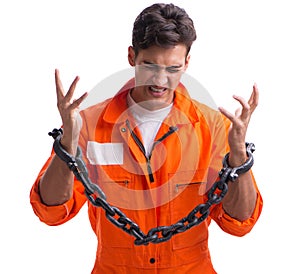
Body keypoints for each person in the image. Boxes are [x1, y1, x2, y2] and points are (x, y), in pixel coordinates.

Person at [30, 3, 263, 273]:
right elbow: (51, 211)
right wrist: (67, 146)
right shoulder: (87, 125)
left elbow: (240, 222)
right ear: (132, 57)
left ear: (187, 62)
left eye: (173, 69)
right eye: (149, 66)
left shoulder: (214, 127)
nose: (160, 81)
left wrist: (238, 157)